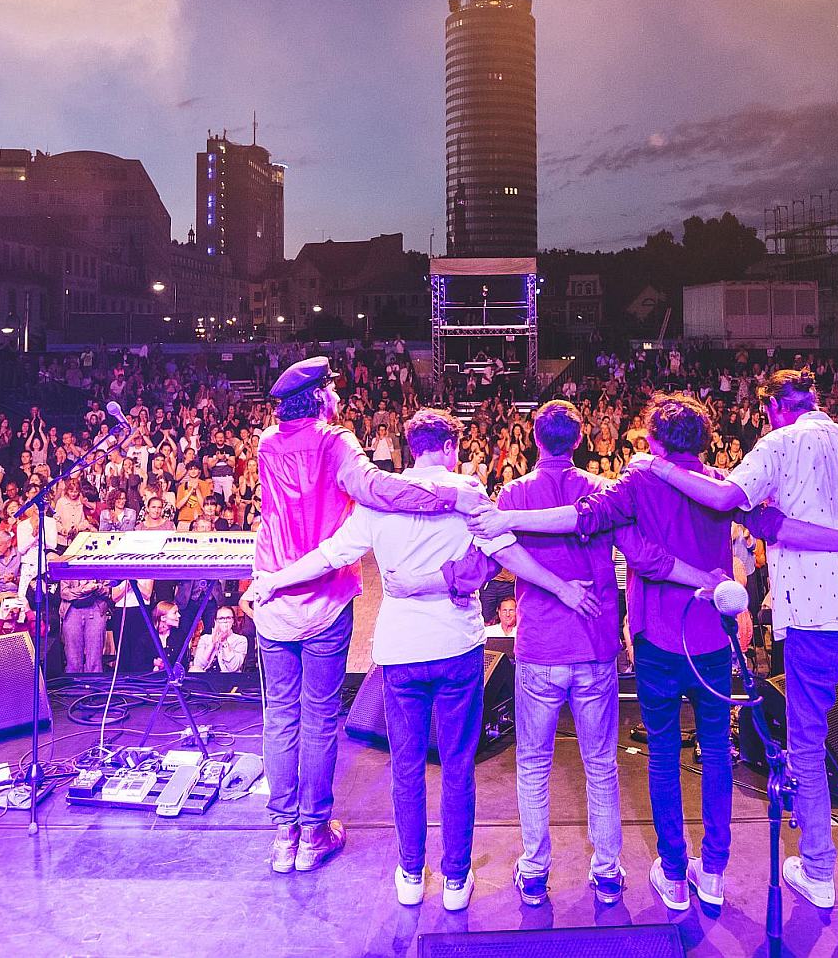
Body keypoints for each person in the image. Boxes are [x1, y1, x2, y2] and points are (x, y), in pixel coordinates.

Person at [247, 407, 597, 912]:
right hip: (457, 650)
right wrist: (563, 589)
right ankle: (456, 881)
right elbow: (509, 555)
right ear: (451, 447)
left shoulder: (378, 502)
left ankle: (411, 874)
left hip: (400, 652)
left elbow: (328, 555)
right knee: (457, 767)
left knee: (406, 768)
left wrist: (275, 580)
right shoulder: (470, 495)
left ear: (413, 448)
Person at [397, 399, 722, 909]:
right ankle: (608, 872)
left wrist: (424, 582)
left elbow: (494, 557)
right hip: (593, 647)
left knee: (532, 764)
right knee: (601, 765)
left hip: (540, 648)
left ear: (533, 436)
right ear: (579, 438)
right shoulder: (600, 490)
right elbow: (641, 554)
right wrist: (703, 576)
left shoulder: (515, 493)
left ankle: (533, 872)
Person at [637, 371, 838, 912]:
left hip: (815, 619)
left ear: (772, 410)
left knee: (807, 743)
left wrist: (659, 465)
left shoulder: (779, 443)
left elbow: (722, 495)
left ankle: (820, 872)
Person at [247, 358, 485, 877]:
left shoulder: (267, 443)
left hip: (273, 591)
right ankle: (313, 833)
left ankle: (283, 836)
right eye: (332, 391)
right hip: (324, 596)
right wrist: (448, 492)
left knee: (280, 714)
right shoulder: (337, 442)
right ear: (323, 396)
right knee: (318, 715)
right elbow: (376, 489)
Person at [190, 604, 250, 673]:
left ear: (233, 621)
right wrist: (212, 643)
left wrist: (224, 641)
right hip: (207, 675)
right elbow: (199, 664)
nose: (225, 621)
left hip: (228, 677)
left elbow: (233, 668)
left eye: (228, 618)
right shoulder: (205, 638)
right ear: (215, 621)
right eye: (221, 618)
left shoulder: (241, 640)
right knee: (194, 669)